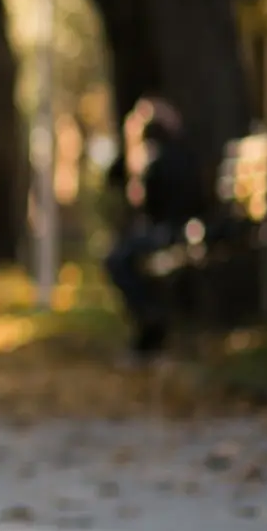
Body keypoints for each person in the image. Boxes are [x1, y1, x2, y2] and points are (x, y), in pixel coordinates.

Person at [103, 97, 202, 356]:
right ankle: (148, 323)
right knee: (122, 258)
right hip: (162, 230)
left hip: (171, 229)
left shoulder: (167, 155)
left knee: (120, 260)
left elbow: (150, 199)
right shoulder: (145, 155)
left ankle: (150, 321)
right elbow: (113, 177)